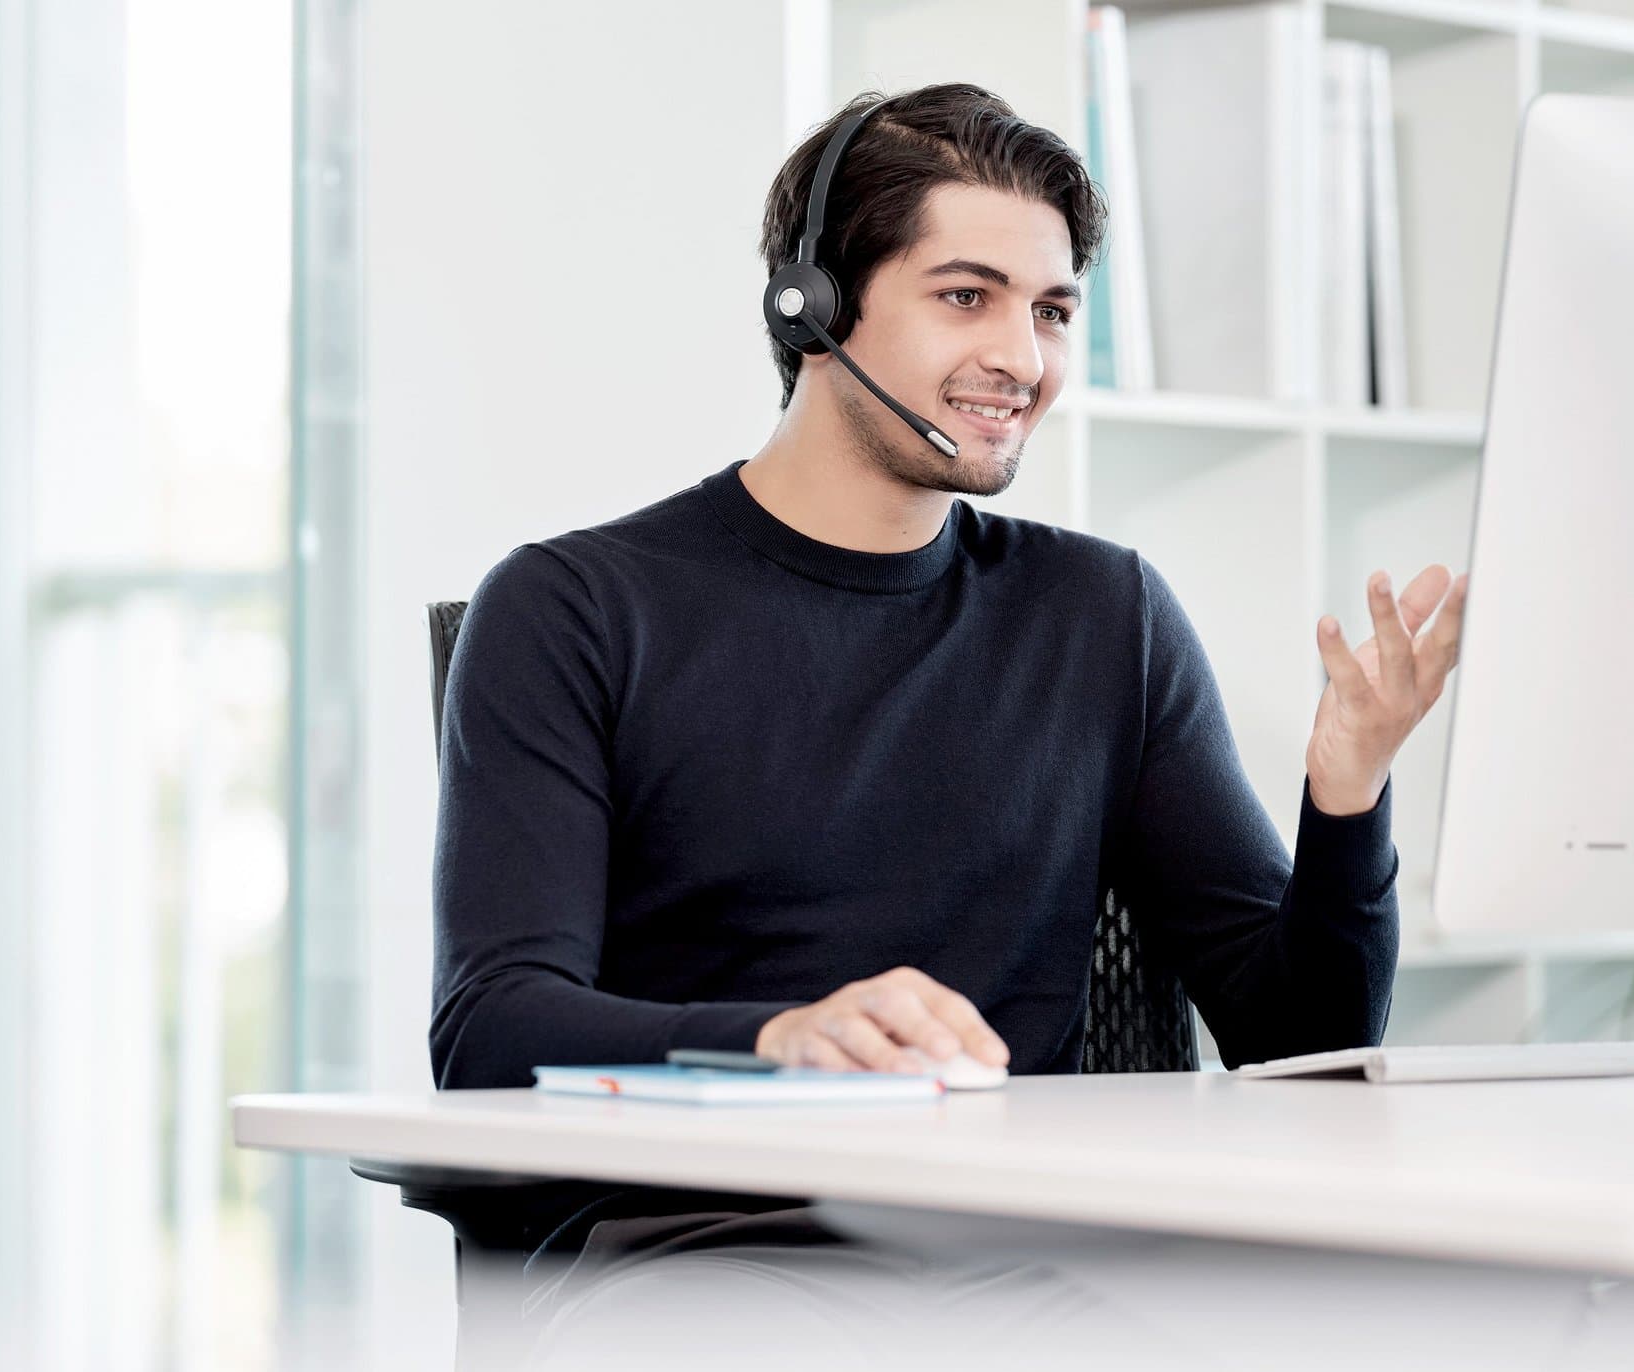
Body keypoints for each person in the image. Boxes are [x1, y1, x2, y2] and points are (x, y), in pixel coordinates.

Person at [423, 80, 1469, 1303]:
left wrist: (1347, 795)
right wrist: (777, 1043)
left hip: (1026, 1257)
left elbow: (1303, 1051)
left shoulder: (1106, 615)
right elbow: (491, 1029)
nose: (1022, 359)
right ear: (812, 307)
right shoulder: (573, 608)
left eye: (1054, 310)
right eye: (965, 296)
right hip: (702, 1257)